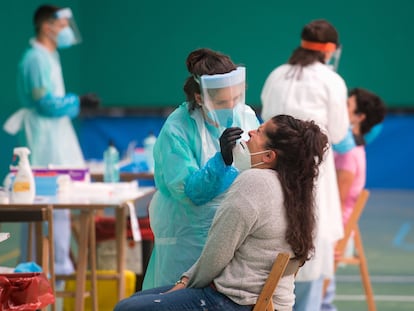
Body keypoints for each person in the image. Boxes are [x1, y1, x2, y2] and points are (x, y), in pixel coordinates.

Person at [114, 114, 329, 311]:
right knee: (137, 302)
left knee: (127, 308)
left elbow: (216, 254)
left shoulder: (255, 181)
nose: (251, 132)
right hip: (268, 301)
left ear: (269, 156)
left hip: (235, 302)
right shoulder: (298, 190)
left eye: (260, 132)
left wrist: (184, 284)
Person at [142, 48, 260, 289]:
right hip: (188, 238)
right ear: (199, 98)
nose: (231, 107)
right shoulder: (177, 128)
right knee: (178, 298)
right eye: (221, 102)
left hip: (233, 235)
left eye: (235, 99)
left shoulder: (245, 115)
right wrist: (222, 161)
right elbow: (189, 193)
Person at [3, 5, 99, 278]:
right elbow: (44, 103)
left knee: (61, 203)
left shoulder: (48, 56)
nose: (66, 30)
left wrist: (74, 103)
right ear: (47, 26)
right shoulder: (35, 59)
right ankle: (40, 273)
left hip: (54, 136)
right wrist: (76, 102)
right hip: (44, 139)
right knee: (47, 202)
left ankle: (56, 269)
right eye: (62, 24)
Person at [260, 19, 349, 310]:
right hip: (314, 176)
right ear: (330, 49)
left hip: (273, 172)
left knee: (273, 242)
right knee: (312, 245)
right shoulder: (331, 80)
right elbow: (337, 132)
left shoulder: (276, 75)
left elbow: (266, 123)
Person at [321, 88, 386, 311]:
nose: (339, 108)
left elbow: (336, 203)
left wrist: (326, 242)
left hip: (336, 230)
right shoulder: (350, 146)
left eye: (346, 106)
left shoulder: (348, 153)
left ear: (359, 117)